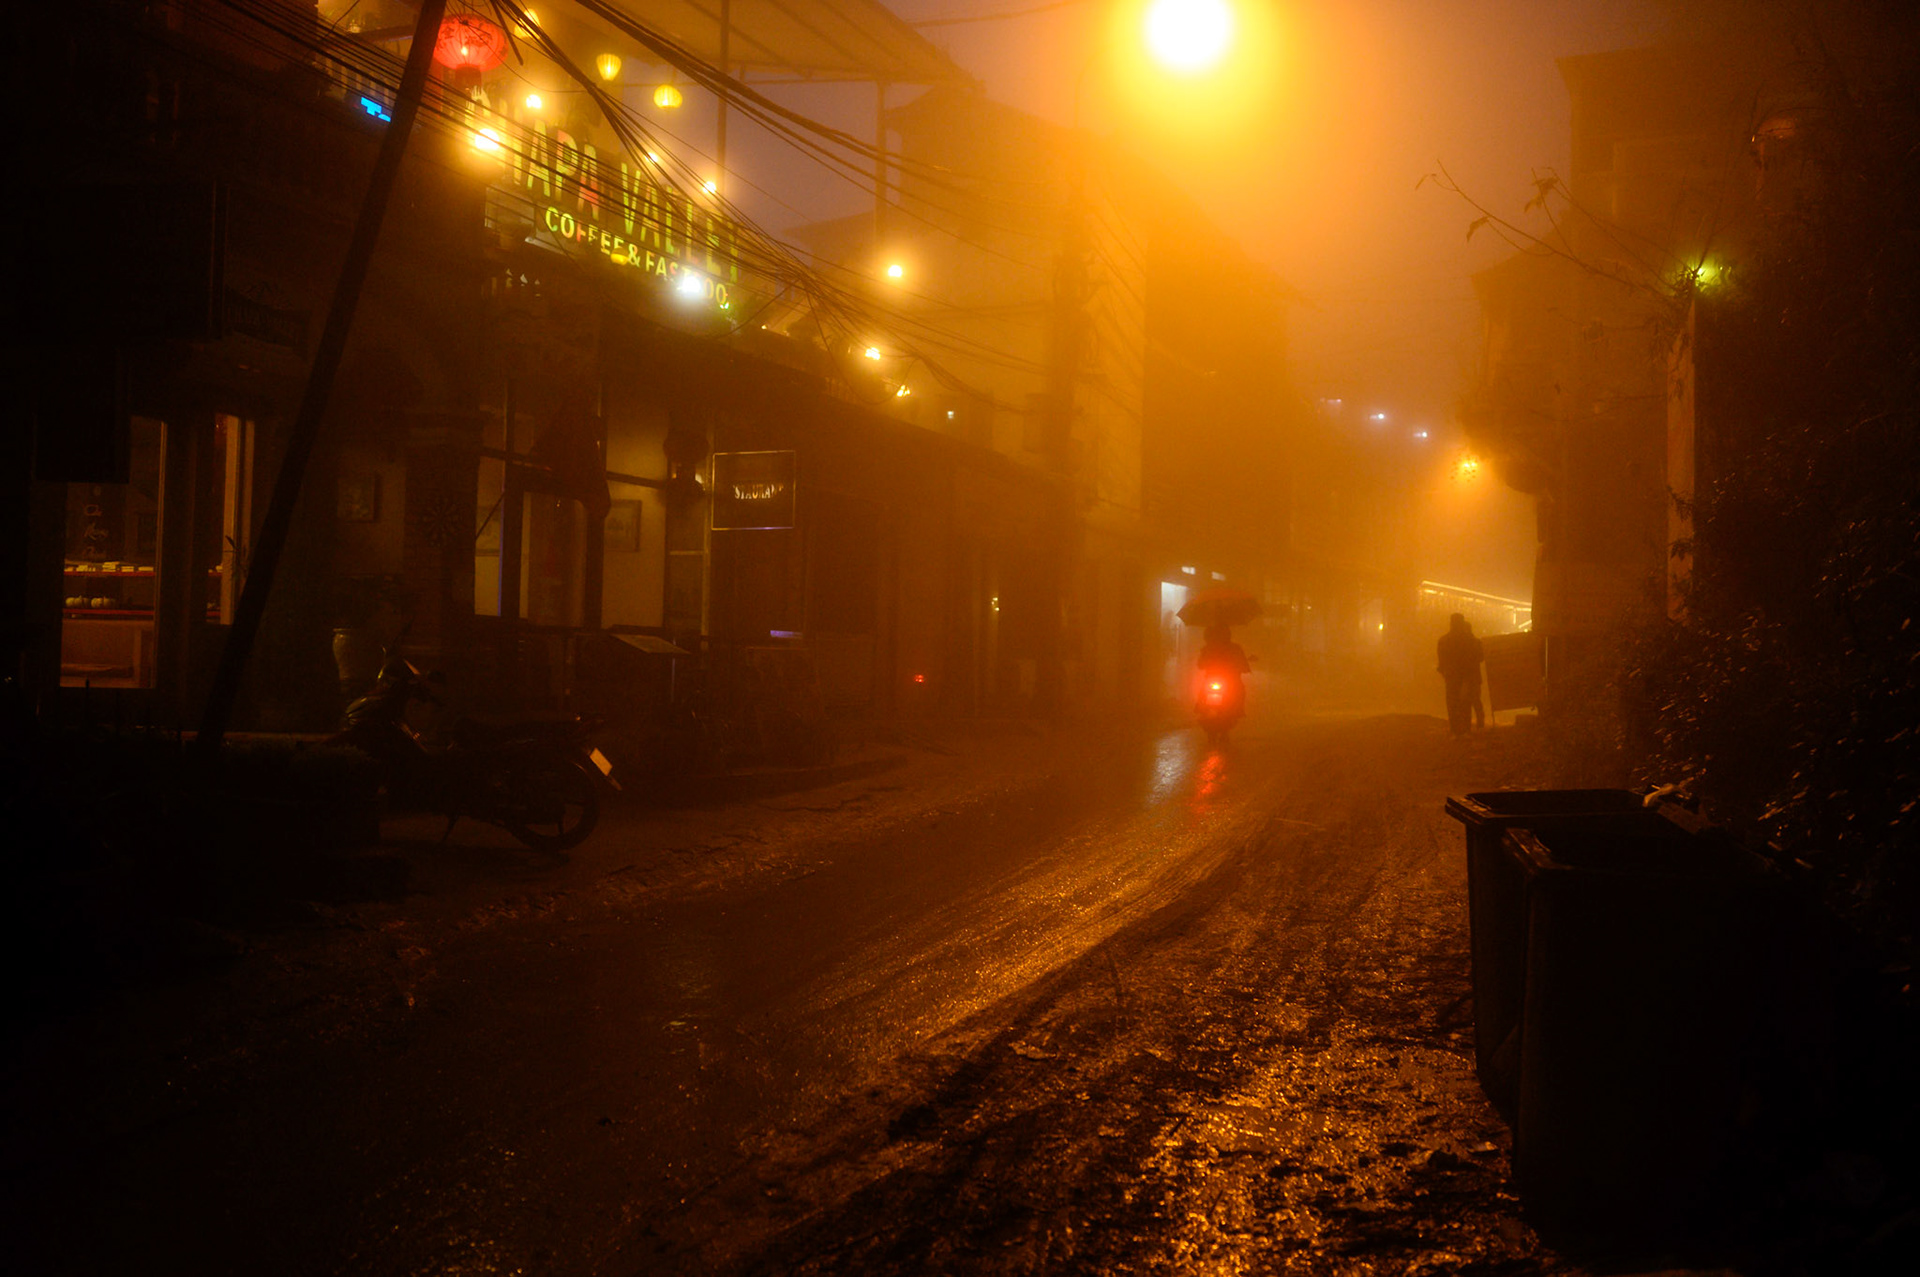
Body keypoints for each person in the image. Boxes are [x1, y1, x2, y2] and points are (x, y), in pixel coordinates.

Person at [1437, 613, 1485, 735]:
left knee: (1452, 705)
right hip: (1467, 678)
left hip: (1451, 677)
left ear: (1451, 623)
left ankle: (1455, 731)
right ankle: (1466, 729)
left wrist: (1446, 674)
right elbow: (1479, 657)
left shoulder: (1443, 640)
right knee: (1466, 705)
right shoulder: (1470, 640)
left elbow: (1441, 662)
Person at [1197, 623, 1251, 709]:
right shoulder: (1235, 648)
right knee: (1239, 691)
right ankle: (1238, 709)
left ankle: (1201, 707)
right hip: (1231, 679)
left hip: (1212, 678)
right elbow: (1243, 664)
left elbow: (1200, 665)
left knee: (1203, 691)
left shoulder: (1207, 648)